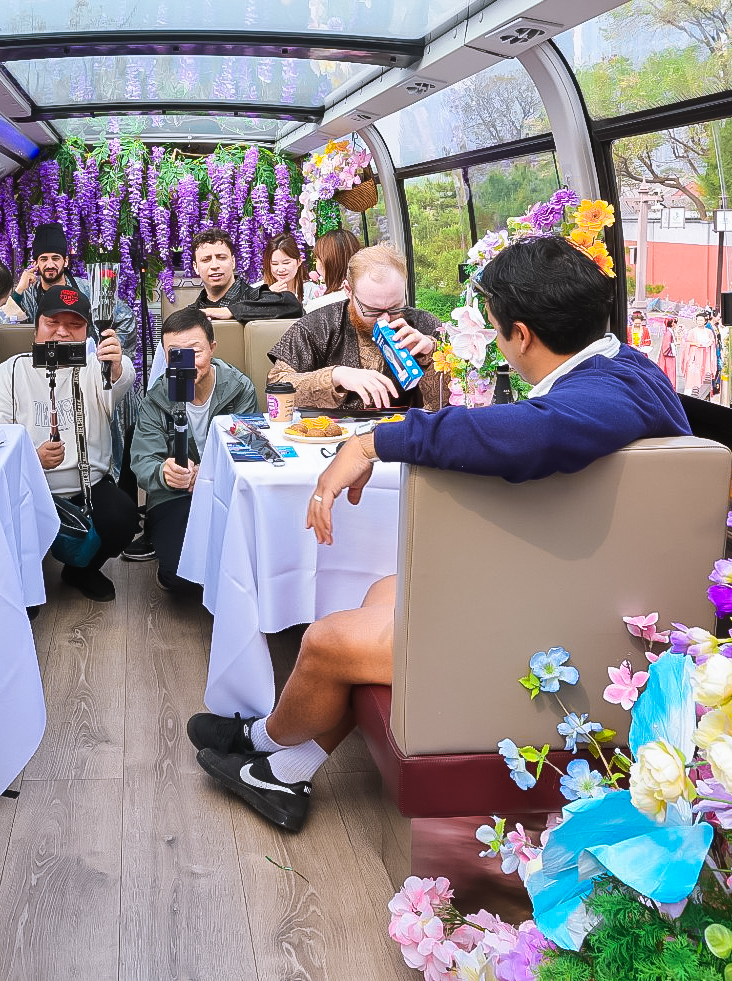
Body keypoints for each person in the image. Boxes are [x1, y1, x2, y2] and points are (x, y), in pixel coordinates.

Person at [189, 236, 692, 833]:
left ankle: (264, 741)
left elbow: (531, 431)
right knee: (382, 590)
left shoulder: (599, 400)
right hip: (583, 593)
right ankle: (287, 771)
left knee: (326, 641)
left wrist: (373, 442)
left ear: (522, 335)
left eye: (496, 331)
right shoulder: (626, 369)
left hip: (569, 639)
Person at [0, 286, 137, 602]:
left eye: (74, 325)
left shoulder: (95, 369)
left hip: (88, 487)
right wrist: (31, 458)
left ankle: (81, 570)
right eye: (52, 322)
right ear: (36, 327)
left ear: (87, 333)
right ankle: (23, 580)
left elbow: (122, 378)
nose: (62, 332)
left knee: (122, 516)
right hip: (27, 489)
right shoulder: (7, 374)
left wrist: (115, 364)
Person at [126, 308, 257, 595]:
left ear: (212, 348)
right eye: (175, 354)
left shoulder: (238, 388)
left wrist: (208, 474)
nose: (186, 362)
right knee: (179, 575)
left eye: (195, 352)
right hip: (174, 495)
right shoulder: (158, 397)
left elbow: (248, 448)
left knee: (239, 560)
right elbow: (143, 459)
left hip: (225, 490)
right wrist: (164, 472)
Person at [268, 245, 447, 412]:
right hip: (331, 430)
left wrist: (432, 355)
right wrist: (335, 376)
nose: (385, 318)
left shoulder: (426, 325)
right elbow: (276, 384)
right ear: (348, 290)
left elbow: (452, 404)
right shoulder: (318, 326)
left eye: (395, 307)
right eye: (372, 310)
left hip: (405, 430)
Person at [11, 223, 135, 346]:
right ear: (35, 263)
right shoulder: (27, 295)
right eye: (44, 259)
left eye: (55, 258)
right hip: (42, 357)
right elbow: (6, 328)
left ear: (65, 261)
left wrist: (106, 349)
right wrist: (18, 291)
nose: (50, 265)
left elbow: (127, 319)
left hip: (84, 358)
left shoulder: (87, 290)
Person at [184, 230, 302, 324]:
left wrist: (230, 311)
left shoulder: (257, 297)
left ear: (233, 262)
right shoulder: (192, 312)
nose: (214, 265)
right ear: (195, 267)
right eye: (206, 260)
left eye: (221, 257)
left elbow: (291, 305)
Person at [303, 230, 362, 310]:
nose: (316, 264)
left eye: (317, 258)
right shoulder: (369, 296)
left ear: (327, 262)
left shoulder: (318, 306)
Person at [264, 234, 309, 300]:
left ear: (299, 261)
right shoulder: (259, 292)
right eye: (275, 264)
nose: (281, 269)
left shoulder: (311, 291)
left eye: (286, 263)